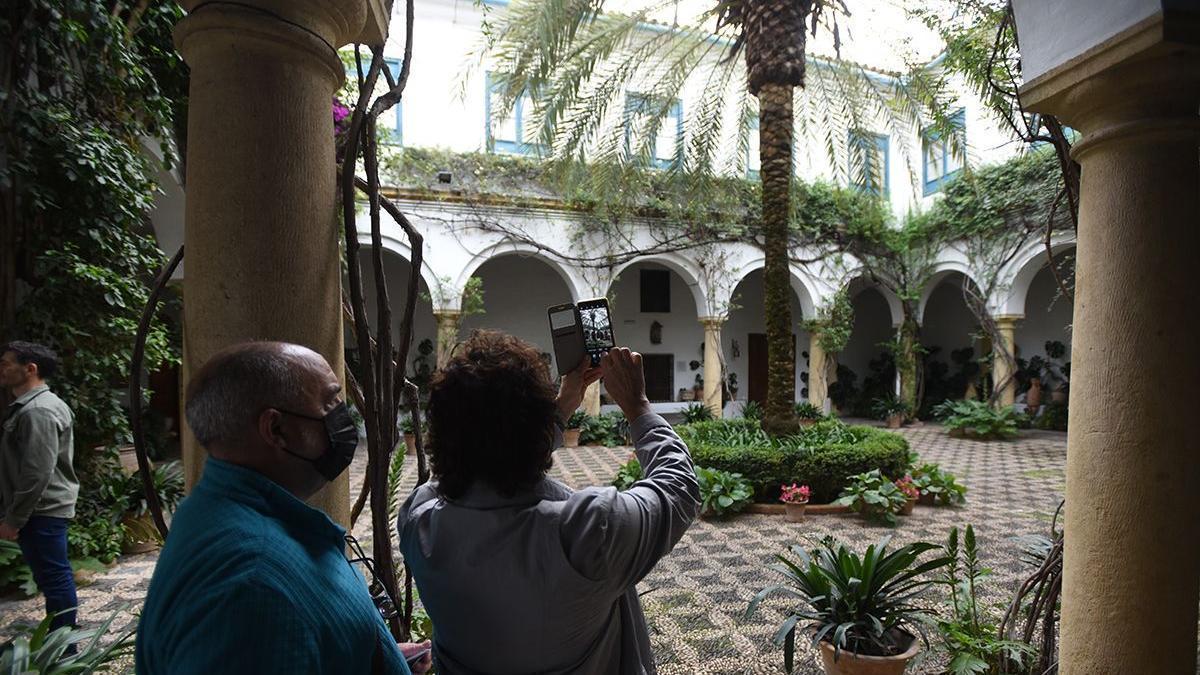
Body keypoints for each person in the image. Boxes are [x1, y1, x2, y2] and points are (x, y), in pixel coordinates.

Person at [398, 331, 700, 674]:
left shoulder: (418, 522)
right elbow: (679, 487)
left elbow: (471, 461)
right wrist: (638, 407)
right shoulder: (586, 533)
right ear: (536, 427)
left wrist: (555, 413)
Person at [136, 341, 431, 675]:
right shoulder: (251, 588)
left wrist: (374, 654)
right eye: (331, 403)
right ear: (276, 429)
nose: (343, 418)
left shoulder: (226, 514)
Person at [0, 341, 80, 633]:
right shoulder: (31, 407)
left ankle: (65, 651)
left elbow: (37, 472)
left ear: (30, 369)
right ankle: (60, 644)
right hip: (40, 508)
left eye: (6, 363)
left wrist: (14, 519)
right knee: (51, 578)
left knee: (55, 579)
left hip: (42, 509)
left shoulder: (39, 411)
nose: (2, 369)